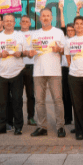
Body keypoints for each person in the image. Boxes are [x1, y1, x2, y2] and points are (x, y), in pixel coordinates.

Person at [30, 8, 67, 138]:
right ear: (40, 18)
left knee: (57, 100)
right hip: (38, 72)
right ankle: (42, 127)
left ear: (52, 18)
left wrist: (59, 49)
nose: (45, 18)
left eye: (48, 16)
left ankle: (60, 127)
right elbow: (30, 52)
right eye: (43, 16)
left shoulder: (58, 33)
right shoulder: (34, 34)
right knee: (39, 101)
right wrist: (30, 53)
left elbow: (65, 50)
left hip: (54, 71)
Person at [0, 13, 26, 135]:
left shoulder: (20, 35)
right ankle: (2, 126)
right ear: (3, 23)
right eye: (6, 21)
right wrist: (0, 55)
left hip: (17, 72)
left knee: (17, 101)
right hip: (1, 74)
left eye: (11, 21)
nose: (9, 23)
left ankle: (18, 127)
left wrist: (21, 53)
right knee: (2, 102)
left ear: (15, 23)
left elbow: (27, 51)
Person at [19, 15, 37, 126]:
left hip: (31, 67)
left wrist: (33, 52)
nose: (25, 22)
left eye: (27, 21)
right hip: (18, 67)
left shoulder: (34, 34)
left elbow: (38, 47)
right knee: (17, 95)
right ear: (20, 23)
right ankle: (19, 118)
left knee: (31, 95)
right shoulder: (15, 35)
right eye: (23, 21)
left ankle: (31, 117)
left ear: (30, 24)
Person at [62, 22, 75, 126]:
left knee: (75, 95)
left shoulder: (79, 40)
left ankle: (78, 118)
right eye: (68, 30)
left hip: (76, 70)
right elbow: (62, 25)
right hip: (65, 69)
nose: (70, 32)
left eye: (72, 30)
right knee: (65, 95)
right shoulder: (63, 39)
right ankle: (67, 118)